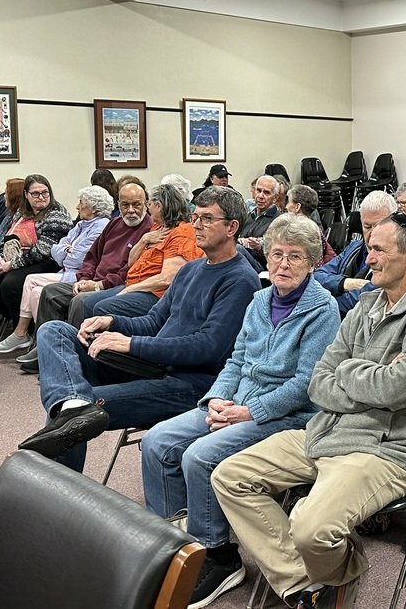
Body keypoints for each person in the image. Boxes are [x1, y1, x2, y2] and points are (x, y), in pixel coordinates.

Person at [212, 212, 406, 609]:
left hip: (390, 451)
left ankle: (337, 575)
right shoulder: (368, 305)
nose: (369, 259)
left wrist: (347, 371)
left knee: (309, 528)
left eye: (378, 250)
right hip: (330, 431)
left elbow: (394, 389)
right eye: (369, 249)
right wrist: (369, 375)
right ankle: (306, 583)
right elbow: (319, 381)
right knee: (230, 477)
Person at [139, 214, 340, 608]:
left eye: (295, 256)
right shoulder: (259, 300)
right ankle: (176, 544)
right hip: (237, 401)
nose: (283, 264)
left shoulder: (323, 309)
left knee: (200, 456)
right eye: (277, 254)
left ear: (312, 263)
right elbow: (236, 360)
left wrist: (249, 412)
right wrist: (216, 399)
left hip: (286, 415)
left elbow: (307, 384)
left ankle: (218, 555)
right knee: (158, 441)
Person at [17, 187, 260, 472]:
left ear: (232, 227)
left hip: (188, 384)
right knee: (55, 332)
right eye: (195, 217)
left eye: (207, 219)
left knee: (75, 413)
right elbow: (154, 322)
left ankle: (61, 472)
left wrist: (131, 344)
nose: (196, 225)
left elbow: (207, 348)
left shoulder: (241, 280)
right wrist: (112, 322)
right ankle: (72, 407)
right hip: (152, 366)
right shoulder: (191, 270)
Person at [15, 181, 152, 368]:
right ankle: (45, 349)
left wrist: (98, 285)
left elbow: (131, 270)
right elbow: (92, 256)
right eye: (125, 205)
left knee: (80, 301)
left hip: (114, 286)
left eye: (136, 204)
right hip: (92, 281)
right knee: (50, 292)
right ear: (118, 205)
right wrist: (85, 277)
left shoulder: (149, 230)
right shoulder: (114, 224)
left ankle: (71, 357)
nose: (130, 210)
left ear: (146, 203)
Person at [0, 186, 113, 354]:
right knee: (34, 291)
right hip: (65, 271)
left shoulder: (101, 227)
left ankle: (24, 334)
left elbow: (78, 259)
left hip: (79, 276)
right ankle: (39, 341)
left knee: (30, 281)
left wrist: (66, 250)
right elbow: (56, 250)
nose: (77, 207)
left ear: (94, 208)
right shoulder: (81, 224)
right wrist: (66, 250)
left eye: (81, 203)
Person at [76, 182, 202, 321]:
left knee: (103, 307)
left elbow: (166, 279)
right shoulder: (157, 227)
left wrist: (130, 289)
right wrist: (144, 240)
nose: (148, 208)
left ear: (159, 206)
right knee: (88, 303)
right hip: (135, 284)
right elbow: (131, 261)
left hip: (155, 293)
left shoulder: (182, 233)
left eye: (149, 204)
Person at [0, 174, 74, 335]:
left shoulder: (57, 215)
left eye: (45, 192)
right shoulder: (22, 213)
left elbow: (42, 250)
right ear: (26, 195)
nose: (41, 197)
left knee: (10, 284)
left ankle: (24, 330)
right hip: (20, 258)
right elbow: (7, 238)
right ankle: (6, 318)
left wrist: (12, 265)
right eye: (35, 194)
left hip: (48, 261)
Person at [314, 190, 397, 314]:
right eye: (367, 226)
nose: (372, 233)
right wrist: (346, 283)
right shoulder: (354, 247)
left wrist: (319, 300)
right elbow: (317, 276)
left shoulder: (395, 259)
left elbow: (358, 301)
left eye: (379, 226)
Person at [285, 184, 337, 266]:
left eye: (289, 202)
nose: (286, 206)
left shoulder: (296, 231)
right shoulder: (314, 228)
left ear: (297, 207)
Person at [238, 175, 281, 266]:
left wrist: (260, 247)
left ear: (275, 198)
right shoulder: (248, 215)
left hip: (261, 266)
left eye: (266, 193)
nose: (260, 196)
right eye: (258, 190)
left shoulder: (279, 221)